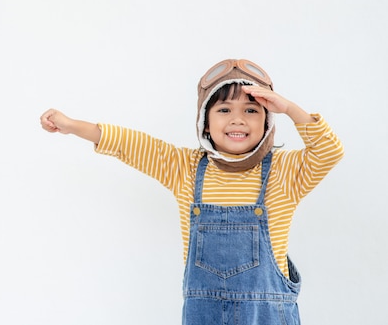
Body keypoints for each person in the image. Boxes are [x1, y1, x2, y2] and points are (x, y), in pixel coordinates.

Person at [39, 58, 344, 325]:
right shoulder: (184, 168)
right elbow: (129, 143)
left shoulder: (285, 172)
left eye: (251, 110)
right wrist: (71, 125)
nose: (238, 119)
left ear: (267, 121)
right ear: (205, 123)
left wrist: (289, 108)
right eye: (224, 109)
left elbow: (329, 151)